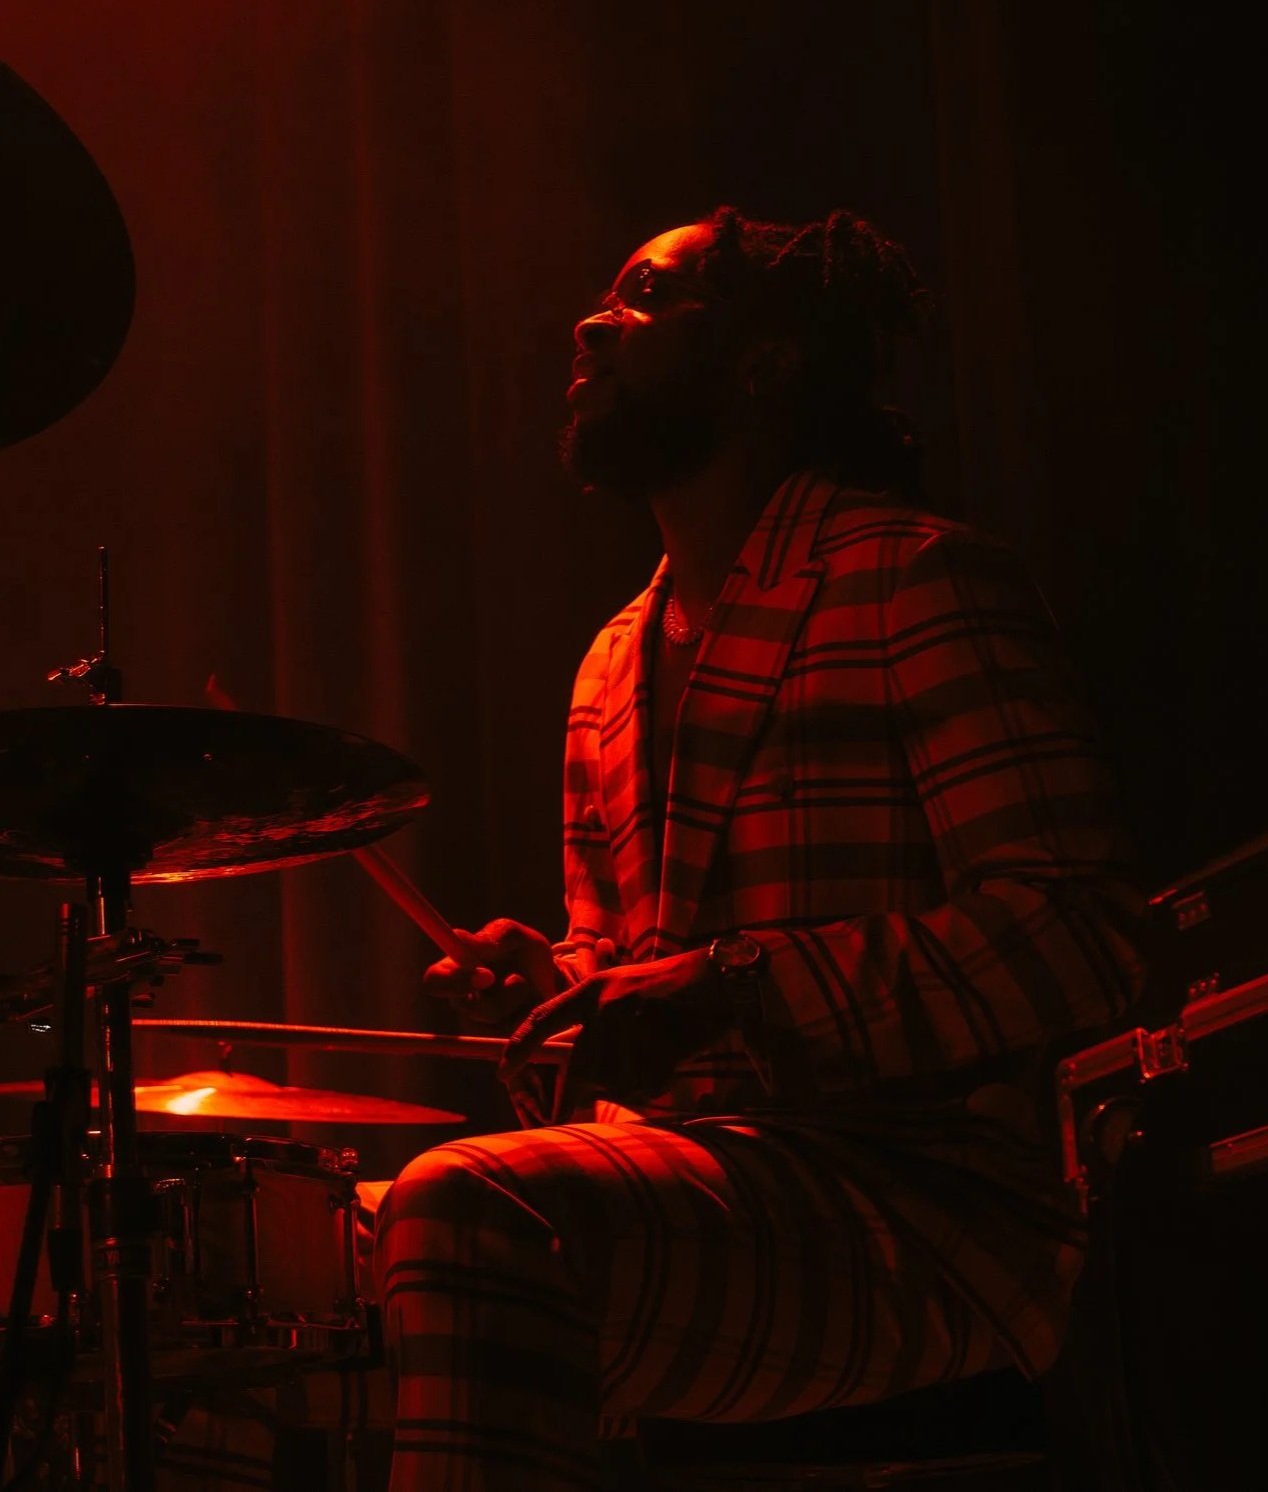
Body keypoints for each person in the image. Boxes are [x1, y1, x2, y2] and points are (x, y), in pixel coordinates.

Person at [369, 207, 1147, 1490]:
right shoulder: (610, 661)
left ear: (762, 360)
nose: (588, 323)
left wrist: (731, 984)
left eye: (643, 295)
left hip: (924, 1210)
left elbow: (1081, 932)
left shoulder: (913, 577)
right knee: (379, 1253)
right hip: (718, 1183)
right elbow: (639, 968)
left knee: (466, 1209)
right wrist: (562, 989)